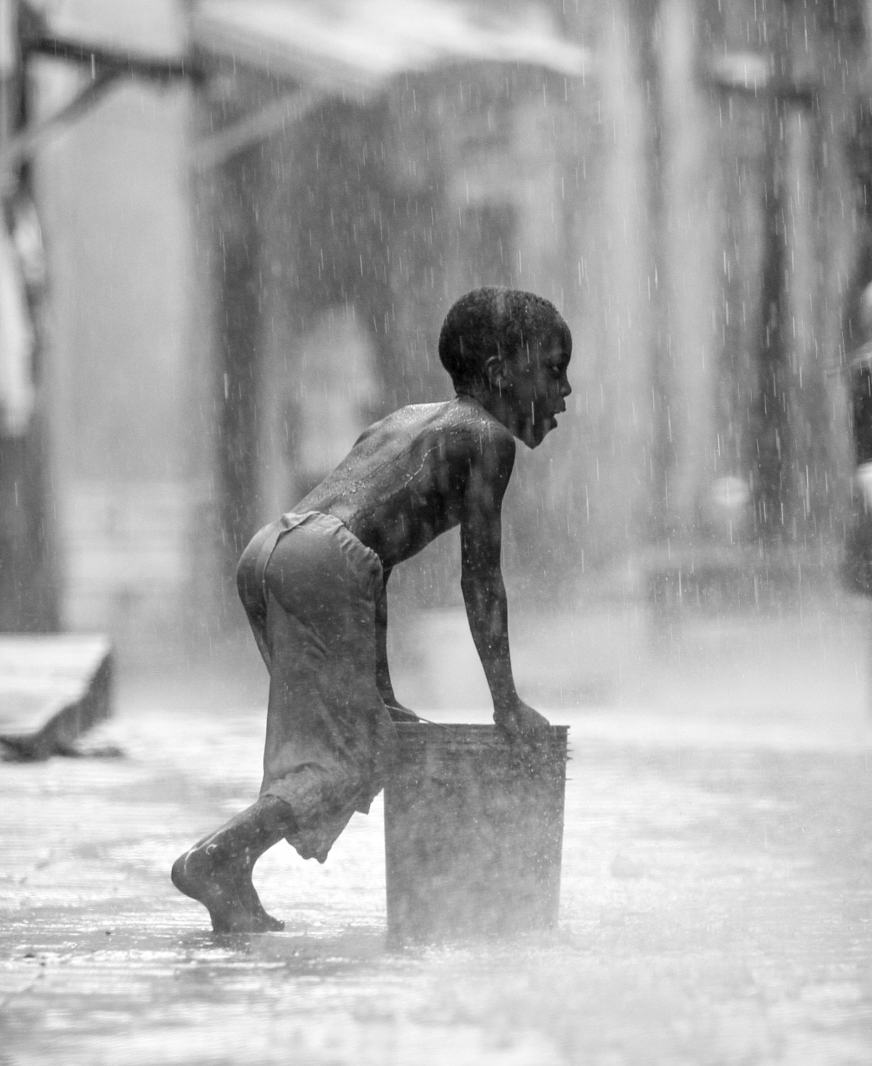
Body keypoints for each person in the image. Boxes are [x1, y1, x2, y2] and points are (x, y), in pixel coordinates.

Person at [172, 287, 572, 933]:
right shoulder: (487, 438)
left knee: (361, 732)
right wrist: (507, 702)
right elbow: (480, 580)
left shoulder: (407, 419)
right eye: (553, 370)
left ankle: (232, 874)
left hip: (274, 547)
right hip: (323, 561)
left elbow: (366, 564)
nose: (565, 392)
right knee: (351, 752)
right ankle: (219, 857)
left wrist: (381, 693)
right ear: (501, 373)